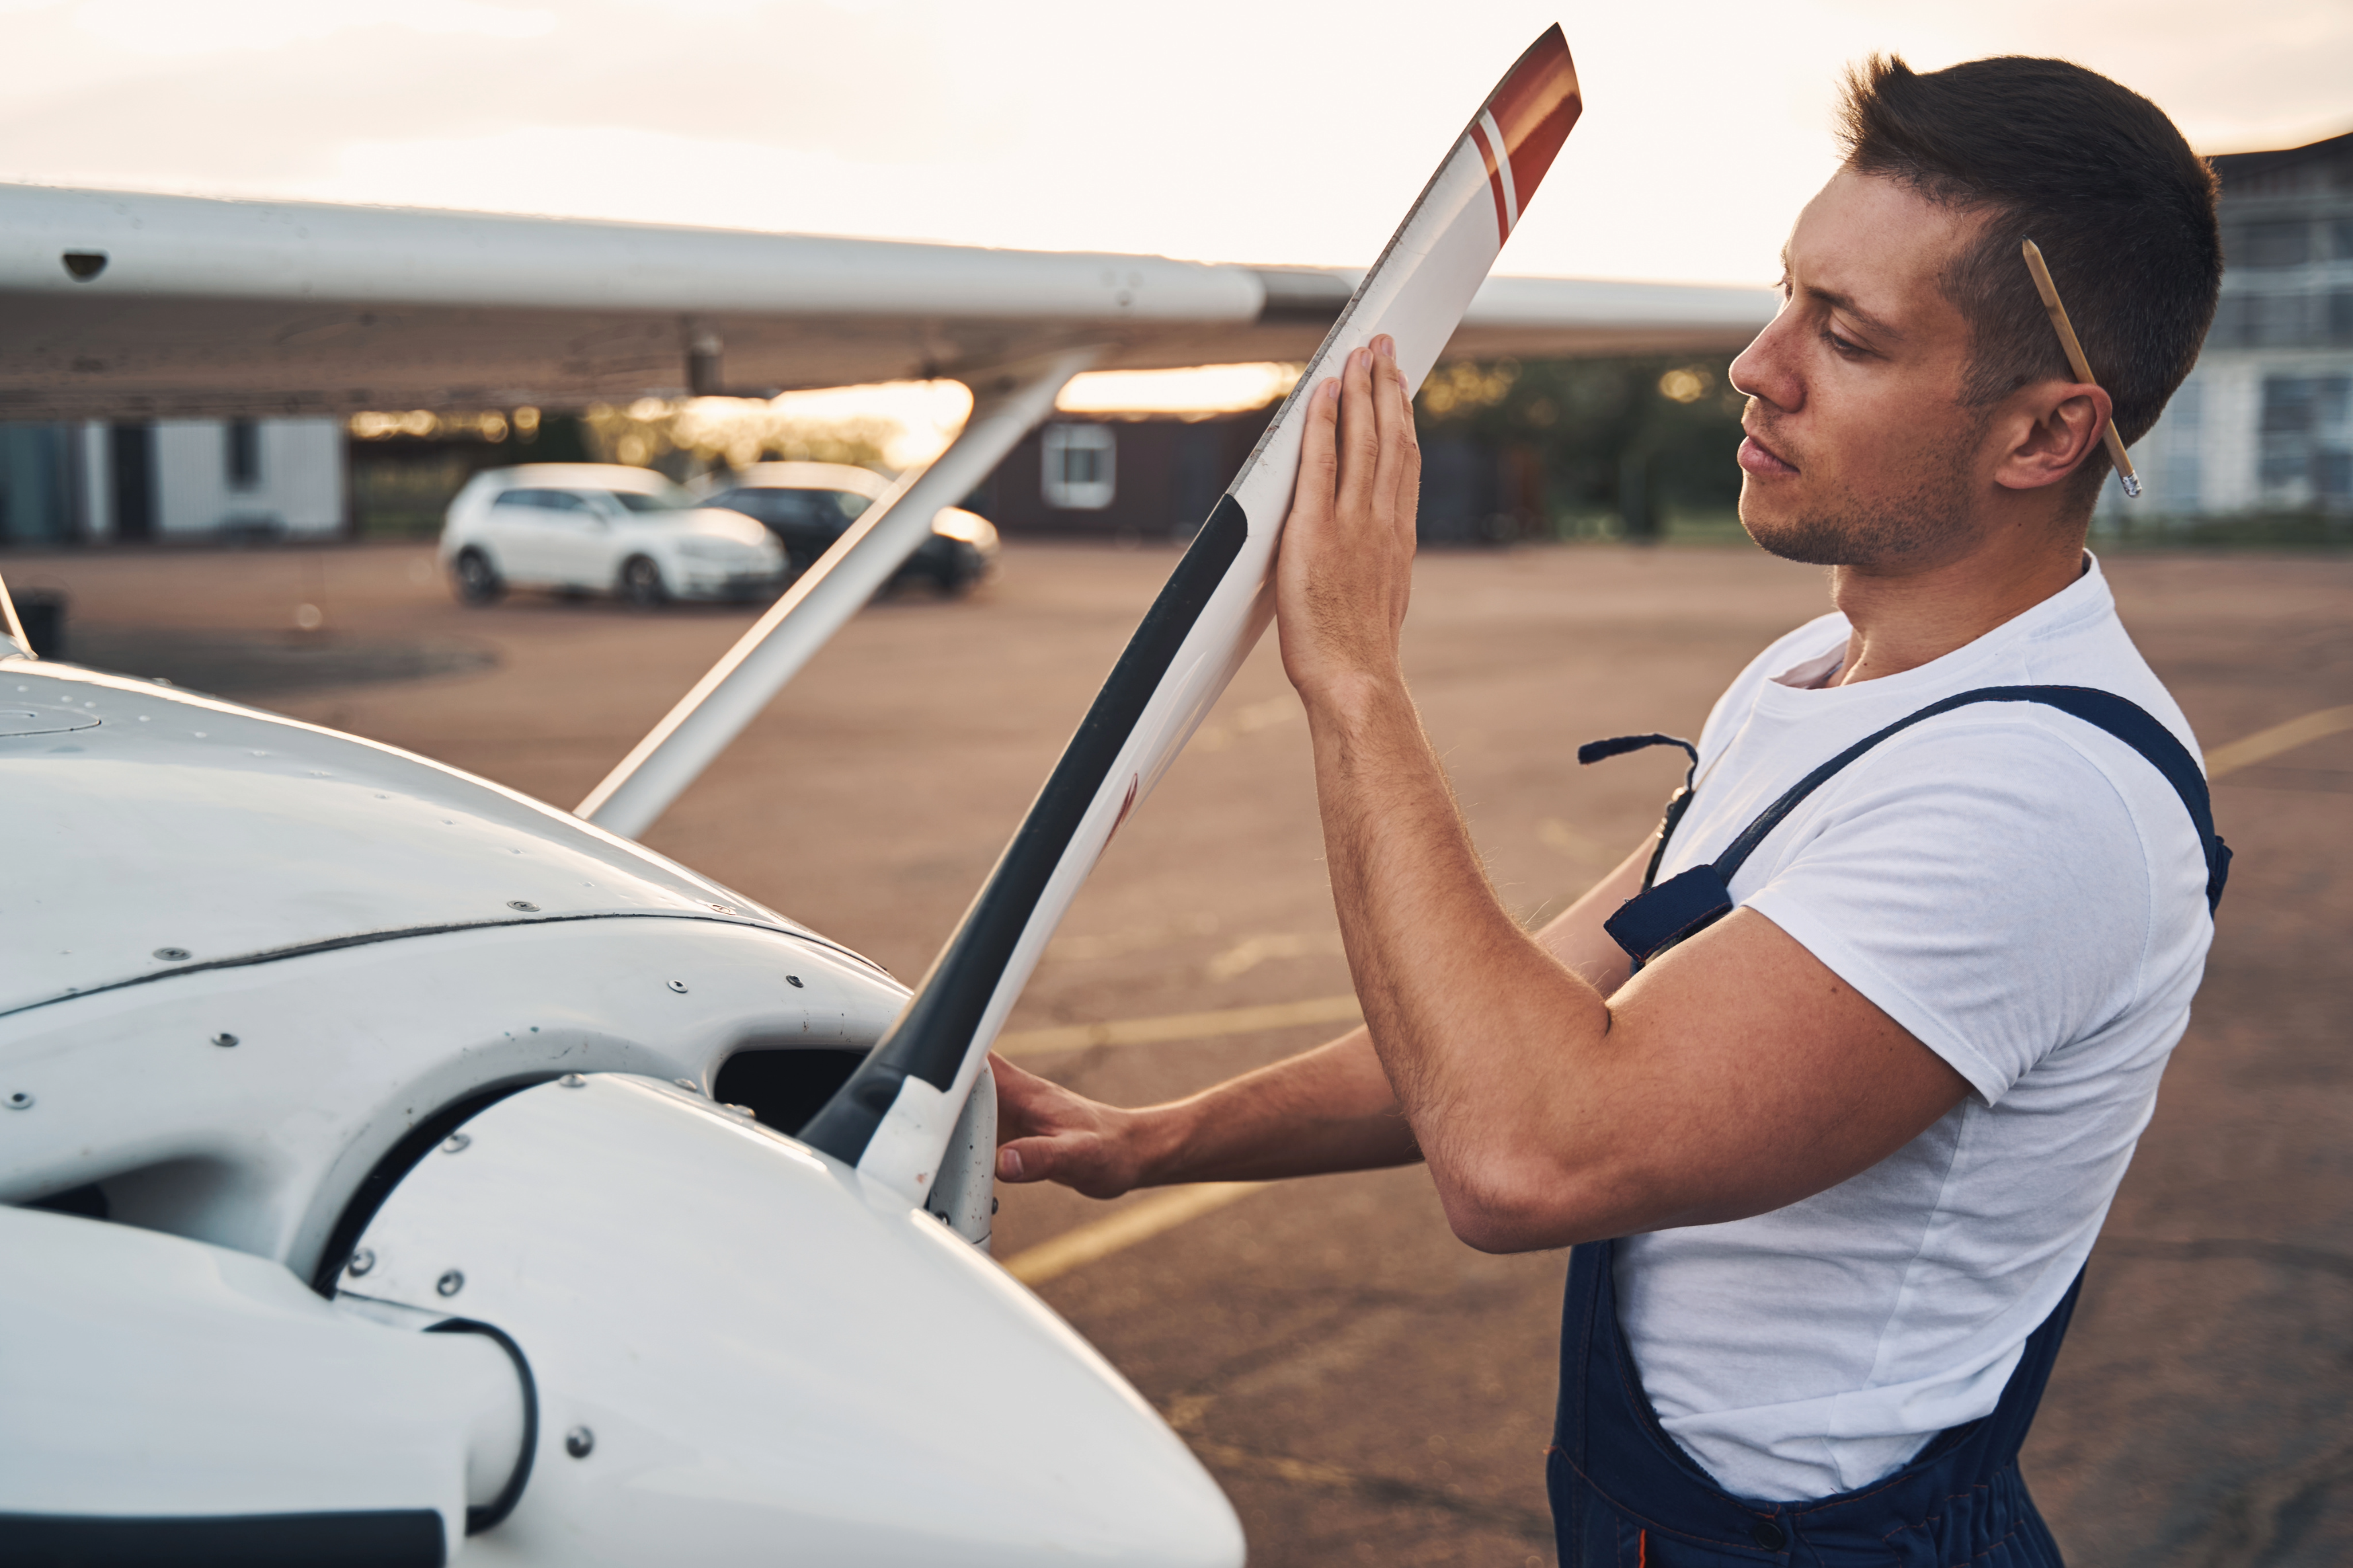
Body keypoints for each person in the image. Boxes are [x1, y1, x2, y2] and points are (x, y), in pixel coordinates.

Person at [991, 54, 2225, 1565]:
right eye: (1786, 296)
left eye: (1844, 335)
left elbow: (1528, 1147)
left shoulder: (2040, 797)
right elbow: (1532, 1007)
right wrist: (1154, 1135)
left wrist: (1357, 683)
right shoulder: (1811, 674)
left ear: (2043, 435)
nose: (1756, 364)